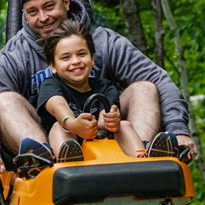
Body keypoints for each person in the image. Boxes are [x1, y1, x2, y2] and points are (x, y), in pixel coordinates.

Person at [0, 0, 197, 179]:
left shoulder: (105, 42)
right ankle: (44, 162)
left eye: (49, 6)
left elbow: (159, 79)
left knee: (144, 86)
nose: (43, 17)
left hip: (108, 133)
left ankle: (144, 154)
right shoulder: (14, 55)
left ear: (66, 3)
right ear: (25, 16)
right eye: (33, 12)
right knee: (3, 99)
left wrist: (178, 129)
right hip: (51, 136)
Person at [30, 19, 176, 163]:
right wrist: (72, 123)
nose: (75, 61)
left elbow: (104, 117)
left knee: (124, 125)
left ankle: (141, 157)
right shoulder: (51, 84)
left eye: (81, 54)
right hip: (67, 142)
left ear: (92, 58)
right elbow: (58, 106)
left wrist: (111, 120)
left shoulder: (105, 87)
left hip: (102, 145)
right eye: (66, 57)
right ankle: (68, 159)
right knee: (59, 127)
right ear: (53, 66)